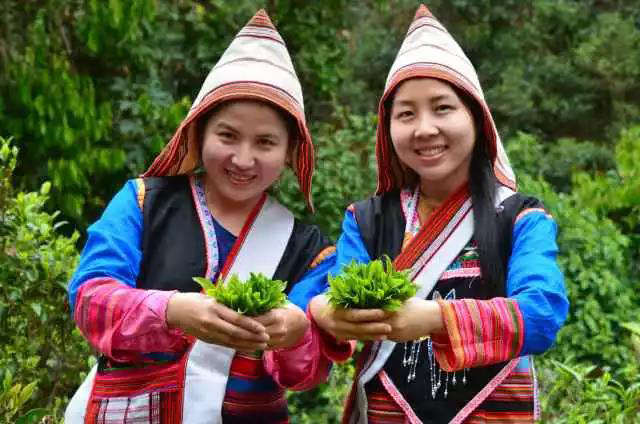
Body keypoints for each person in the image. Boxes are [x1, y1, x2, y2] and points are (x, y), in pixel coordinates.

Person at [64, 9, 349, 423]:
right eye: (227, 135)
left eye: (266, 142)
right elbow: (91, 300)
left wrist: (295, 332)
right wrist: (172, 311)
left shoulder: (310, 252)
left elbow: (304, 371)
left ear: (291, 152)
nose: (243, 158)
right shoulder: (144, 202)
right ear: (199, 133)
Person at [309, 4, 569, 423]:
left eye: (443, 108)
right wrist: (325, 311)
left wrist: (432, 318)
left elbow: (543, 313)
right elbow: (337, 294)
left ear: (477, 118)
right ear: (387, 128)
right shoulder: (367, 220)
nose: (424, 128)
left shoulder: (520, 218)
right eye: (406, 113)